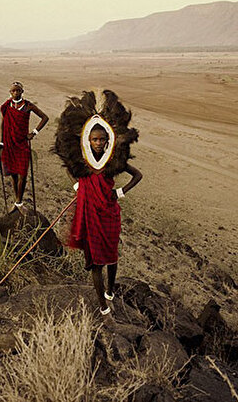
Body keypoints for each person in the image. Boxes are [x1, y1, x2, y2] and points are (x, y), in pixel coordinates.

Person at [54, 90, 141, 316]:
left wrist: (119, 192)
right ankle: (103, 307)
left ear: (108, 140)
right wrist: (77, 187)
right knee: (94, 262)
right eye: (95, 139)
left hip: (109, 212)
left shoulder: (113, 160)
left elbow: (137, 175)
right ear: (88, 140)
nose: (99, 143)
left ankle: (110, 290)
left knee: (112, 256)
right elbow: (69, 169)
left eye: (102, 139)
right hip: (88, 211)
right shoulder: (82, 160)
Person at [0, 81, 49, 211]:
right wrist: (2, 142)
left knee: (23, 174)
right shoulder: (7, 106)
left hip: (22, 143)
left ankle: (19, 201)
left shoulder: (28, 106)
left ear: (22, 92)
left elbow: (45, 117)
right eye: (13, 91)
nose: (15, 93)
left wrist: (34, 132)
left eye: (18, 90)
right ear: (10, 92)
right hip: (10, 143)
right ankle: (17, 202)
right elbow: (3, 124)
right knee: (13, 174)